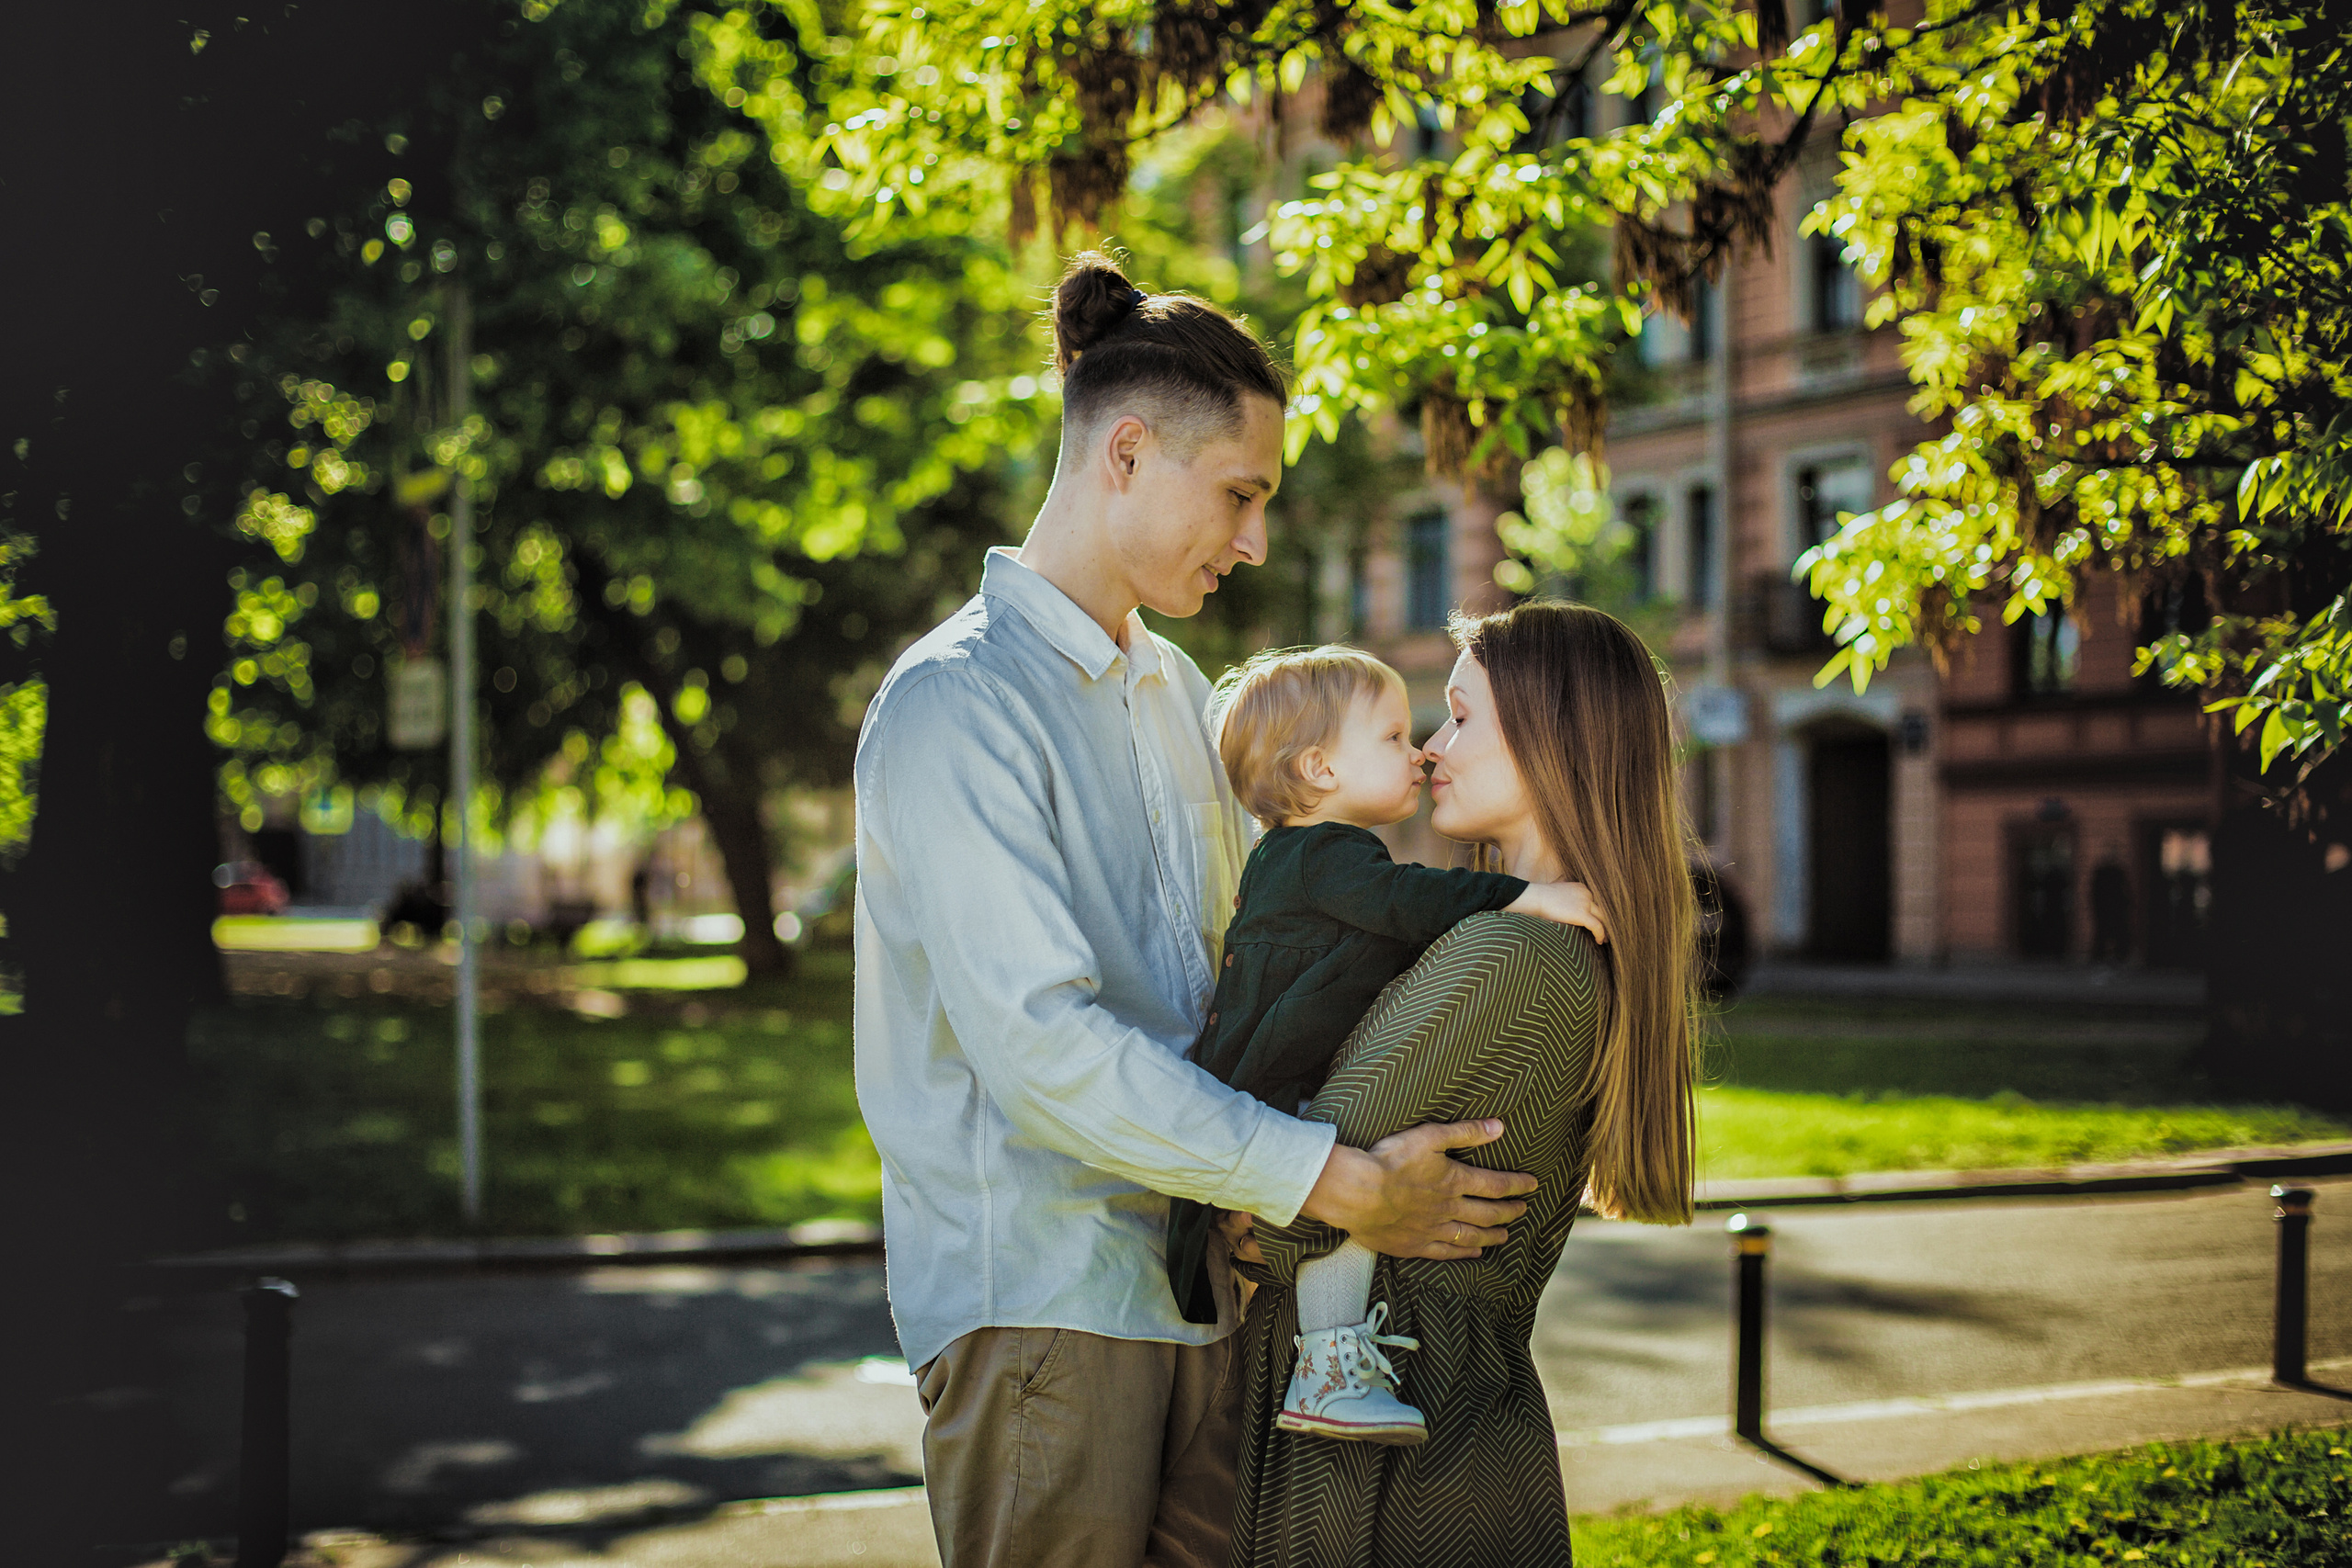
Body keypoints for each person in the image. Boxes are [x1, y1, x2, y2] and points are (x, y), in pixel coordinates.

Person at [852, 253, 1541, 1568]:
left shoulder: (1177, 693)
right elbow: (1043, 1048)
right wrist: (1336, 1183)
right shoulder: (958, 704)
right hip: (1048, 1311)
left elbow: (1249, 972)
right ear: (1126, 452)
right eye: (1240, 494)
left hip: (1211, 1290)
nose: (1255, 539)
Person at [1220, 601, 1701, 1568]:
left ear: (1551, 742)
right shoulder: (1533, 941)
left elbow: (1270, 1221)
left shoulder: (1509, 953)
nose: (1433, 749)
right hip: (1447, 1434)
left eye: (1459, 716)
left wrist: (1241, 1199)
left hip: (1386, 1467)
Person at [1161, 645, 1609, 1450]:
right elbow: (1410, 903)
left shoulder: (1306, 857)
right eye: (1396, 737)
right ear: (1321, 767)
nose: (1422, 751)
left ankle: (1331, 1357)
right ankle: (1332, 1367)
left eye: (1449, 722)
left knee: (1353, 1176)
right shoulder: (1329, 855)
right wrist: (1525, 896)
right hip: (1275, 1080)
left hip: (1266, 1075)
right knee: (1353, 1178)